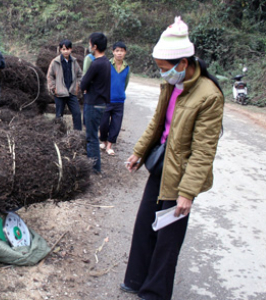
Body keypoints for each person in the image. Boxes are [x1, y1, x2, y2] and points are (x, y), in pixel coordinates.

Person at [121, 17, 224, 300]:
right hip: (161, 165)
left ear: (183, 63)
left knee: (168, 236)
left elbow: (204, 150)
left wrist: (187, 193)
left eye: (164, 69)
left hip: (183, 174)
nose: (162, 74)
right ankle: (136, 279)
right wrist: (139, 152)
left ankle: (155, 292)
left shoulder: (209, 95)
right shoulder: (171, 84)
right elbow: (158, 123)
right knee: (145, 223)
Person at [80, 32, 111, 174]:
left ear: (95, 46)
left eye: (90, 43)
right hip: (101, 103)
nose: (89, 46)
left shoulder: (96, 64)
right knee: (93, 136)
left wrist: (85, 88)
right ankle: (94, 166)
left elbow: (83, 83)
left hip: (93, 103)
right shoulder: (106, 63)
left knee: (91, 137)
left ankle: (93, 169)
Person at [99, 41, 130, 156]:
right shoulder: (107, 65)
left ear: (125, 52)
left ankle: (109, 146)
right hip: (106, 100)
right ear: (113, 52)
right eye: (117, 51)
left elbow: (125, 83)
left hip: (119, 101)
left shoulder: (127, 68)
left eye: (121, 51)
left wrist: (120, 93)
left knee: (116, 125)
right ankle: (103, 140)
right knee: (103, 124)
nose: (119, 53)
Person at [46, 39, 83, 130]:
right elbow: (50, 76)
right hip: (59, 93)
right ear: (60, 50)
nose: (65, 51)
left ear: (71, 49)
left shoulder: (74, 62)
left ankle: (77, 134)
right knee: (59, 115)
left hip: (71, 92)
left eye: (67, 49)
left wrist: (77, 85)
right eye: (63, 49)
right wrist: (53, 88)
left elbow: (80, 75)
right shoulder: (55, 62)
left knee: (77, 113)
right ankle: (58, 133)